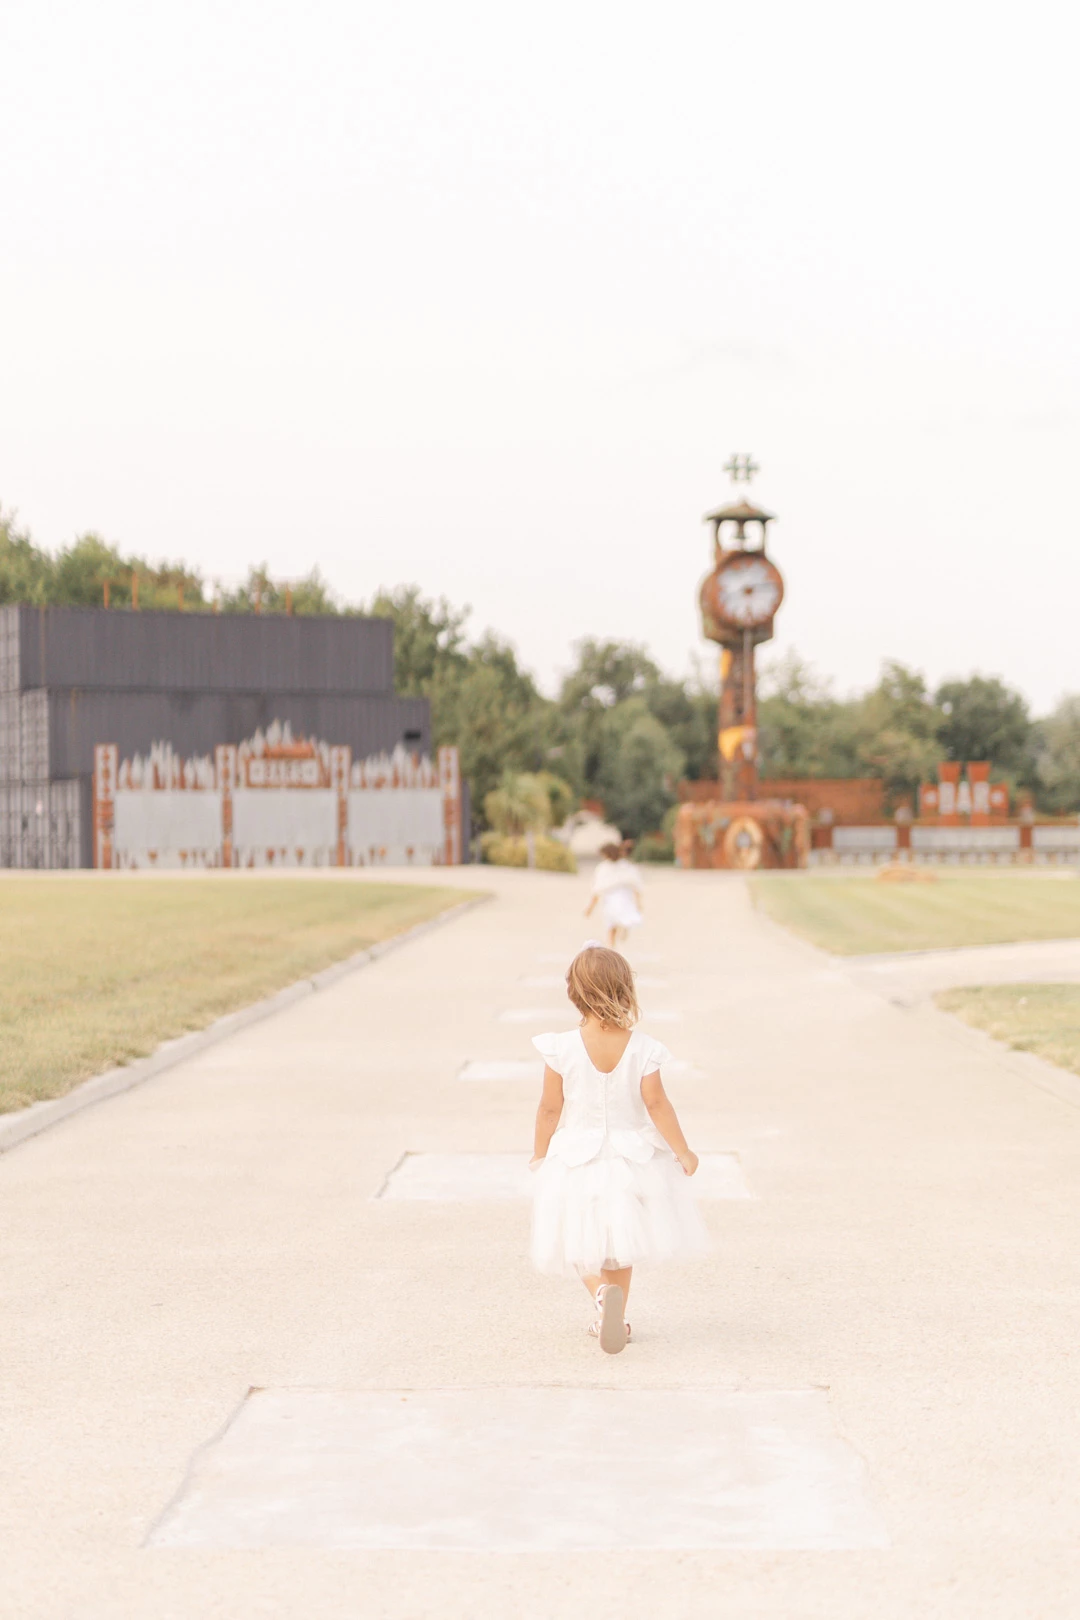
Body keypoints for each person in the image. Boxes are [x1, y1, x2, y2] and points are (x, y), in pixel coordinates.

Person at [528, 945, 708, 1354]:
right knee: (620, 1247)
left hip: (576, 1156)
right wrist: (683, 1152)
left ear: (573, 992)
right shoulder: (643, 1047)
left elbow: (549, 1108)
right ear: (626, 988)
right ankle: (618, 1317)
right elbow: (657, 1104)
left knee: (576, 1236)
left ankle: (598, 1297)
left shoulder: (560, 1047)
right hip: (631, 1159)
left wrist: (540, 1153)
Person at [585, 841, 644, 949]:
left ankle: (612, 945)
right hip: (624, 896)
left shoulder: (603, 868)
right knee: (618, 919)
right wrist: (638, 902)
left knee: (611, 922)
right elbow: (636, 885)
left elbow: (597, 889)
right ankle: (613, 943)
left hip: (612, 897)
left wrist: (590, 907)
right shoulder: (626, 866)